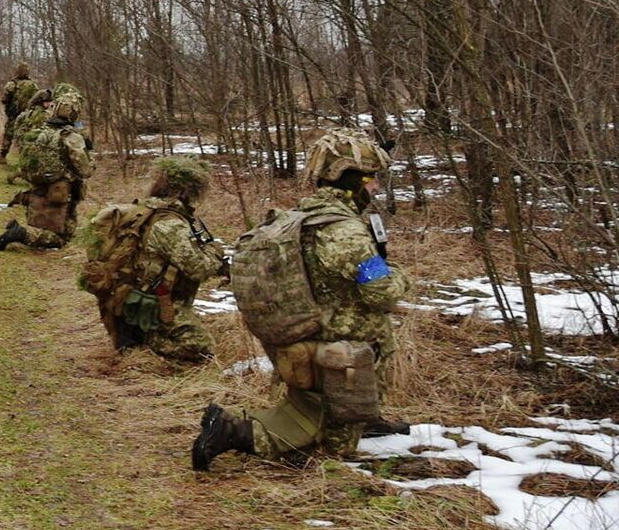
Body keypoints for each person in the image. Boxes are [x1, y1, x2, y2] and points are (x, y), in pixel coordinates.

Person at [194, 130, 412, 470]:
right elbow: (381, 291)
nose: (376, 188)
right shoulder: (344, 230)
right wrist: (399, 274)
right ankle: (231, 429)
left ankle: (360, 417)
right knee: (331, 450)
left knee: (322, 419)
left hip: (308, 340)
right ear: (351, 180)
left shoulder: (300, 216)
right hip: (337, 350)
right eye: (371, 180)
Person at [78, 156, 220, 362]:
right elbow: (198, 268)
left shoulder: (141, 210)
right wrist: (215, 251)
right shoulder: (170, 223)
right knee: (198, 346)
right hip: (149, 303)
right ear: (188, 191)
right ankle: (147, 338)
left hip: (123, 298)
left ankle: (133, 334)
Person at [0, 97, 94, 251]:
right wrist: (90, 152)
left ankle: (23, 225)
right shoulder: (71, 137)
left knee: (50, 230)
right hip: (59, 195)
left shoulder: (38, 132)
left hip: (37, 192)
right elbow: (86, 170)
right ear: (74, 114)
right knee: (61, 240)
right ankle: (22, 233)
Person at [0, 62, 40, 161]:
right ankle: (25, 158)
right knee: (26, 135)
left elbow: (4, 99)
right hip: (28, 115)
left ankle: (2, 156)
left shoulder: (12, 84)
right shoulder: (34, 85)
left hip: (14, 115)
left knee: (8, 134)